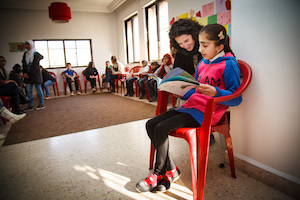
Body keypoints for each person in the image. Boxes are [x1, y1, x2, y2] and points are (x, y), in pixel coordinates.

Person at [135, 24, 242, 193]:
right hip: (190, 107)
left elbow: (236, 98)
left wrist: (216, 92)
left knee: (162, 128)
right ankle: (171, 170)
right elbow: (195, 90)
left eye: (205, 45)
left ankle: (158, 174)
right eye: (200, 44)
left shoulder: (228, 64)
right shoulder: (202, 63)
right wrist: (180, 91)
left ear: (220, 46)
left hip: (206, 113)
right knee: (150, 124)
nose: (200, 49)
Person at [22, 40, 45, 111]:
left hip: (34, 74)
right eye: (26, 44)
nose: (27, 46)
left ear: (32, 45)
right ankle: (30, 105)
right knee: (28, 90)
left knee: (38, 89)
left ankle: (41, 104)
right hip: (27, 75)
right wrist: (25, 73)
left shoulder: (35, 53)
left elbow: (35, 65)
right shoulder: (25, 54)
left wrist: (29, 74)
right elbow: (24, 64)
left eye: (28, 44)